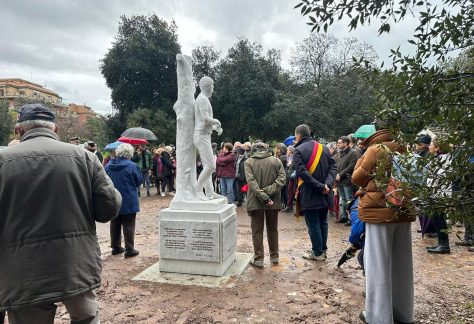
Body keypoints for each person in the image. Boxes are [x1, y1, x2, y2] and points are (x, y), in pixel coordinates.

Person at [0, 103, 122, 324]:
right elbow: (109, 209)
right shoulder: (85, 158)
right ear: (55, 129)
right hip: (75, 265)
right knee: (86, 317)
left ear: (19, 130)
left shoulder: (3, 161)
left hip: (23, 272)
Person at [352, 129, 415, 324]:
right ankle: (404, 314)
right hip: (403, 210)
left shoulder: (374, 149)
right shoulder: (405, 148)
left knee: (377, 264)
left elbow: (356, 178)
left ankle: (378, 317)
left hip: (378, 212)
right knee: (402, 264)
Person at [293, 124, 336, 261]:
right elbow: (333, 166)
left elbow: (301, 173)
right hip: (325, 192)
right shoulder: (323, 147)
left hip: (311, 193)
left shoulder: (298, 150)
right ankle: (322, 249)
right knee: (323, 222)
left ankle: (317, 253)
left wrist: (320, 186)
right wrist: (327, 185)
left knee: (313, 224)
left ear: (299, 135)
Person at [244, 142, 286, 268]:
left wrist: (263, 194)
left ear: (254, 149)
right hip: (273, 201)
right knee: (273, 229)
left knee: (257, 231)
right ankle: (274, 257)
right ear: (266, 149)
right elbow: (282, 179)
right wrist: (268, 193)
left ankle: (259, 259)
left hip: (256, 201)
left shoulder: (249, 162)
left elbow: (251, 183)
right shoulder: (276, 161)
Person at [105, 143, 143, 258]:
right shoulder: (132, 166)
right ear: (129, 154)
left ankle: (115, 247)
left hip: (113, 198)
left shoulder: (108, 166)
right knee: (128, 224)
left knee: (114, 223)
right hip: (128, 198)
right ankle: (129, 249)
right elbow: (139, 181)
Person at [193, 76, 223, 199]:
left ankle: (210, 192)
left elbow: (203, 120)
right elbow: (205, 119)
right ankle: (198, 189)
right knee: (211, 166)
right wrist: (217, 122)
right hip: (201, 135)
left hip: (204, 134)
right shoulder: (202, 99)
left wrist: (215, 128)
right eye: (212, 86)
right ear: (208, 86)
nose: (213, 89)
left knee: (208, 166)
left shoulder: (203, 99)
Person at [335, 136, 358, 225]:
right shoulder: (339, 152)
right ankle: (344, 216)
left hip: (347, 180)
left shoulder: (353, 153)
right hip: (339, 180)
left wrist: (340, 175)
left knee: (349, 199)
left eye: (340, 142)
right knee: (343, 199)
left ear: (345, 143)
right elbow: (337, 164)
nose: (338, 144)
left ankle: (350, 218)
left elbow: (351, 166)